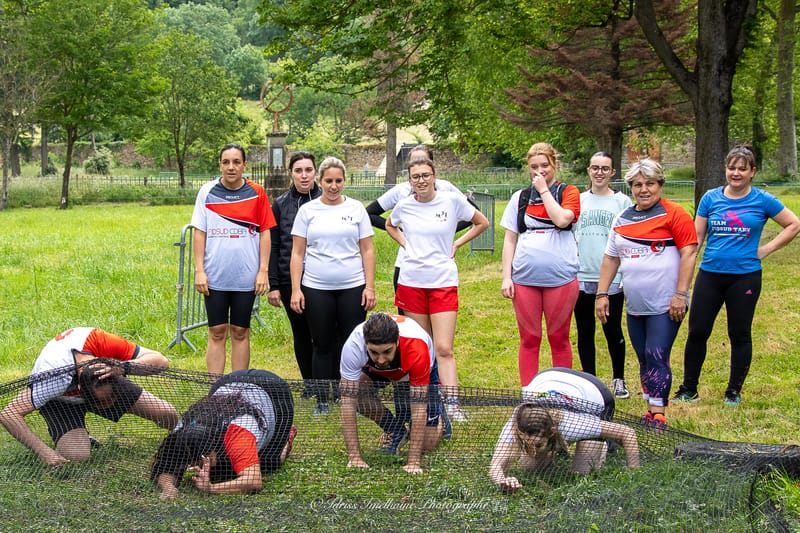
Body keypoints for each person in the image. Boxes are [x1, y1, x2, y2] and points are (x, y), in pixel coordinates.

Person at [674, 144, 800, 406]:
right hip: (710, 275)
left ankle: (733, 391)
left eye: (742, 169)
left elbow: (793, 224)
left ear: (752, 172)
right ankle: (688, 389)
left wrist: (766, 249)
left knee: (739, 334)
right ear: (725, 169)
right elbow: (696, 239)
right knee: (698, 332)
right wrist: (682, 277)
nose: (736, 173)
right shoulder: (710, 198)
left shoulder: (762, 200)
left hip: (744, 278)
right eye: (732, 167)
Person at [385, 157, 489, 422]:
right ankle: (425, 401)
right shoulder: (404, 205)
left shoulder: (451, 201)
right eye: (415, 176)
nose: (421, 180)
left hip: (442, 281)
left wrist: (457, 243)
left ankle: (452, 404)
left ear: (434, 176)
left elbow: (481, 222)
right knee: (421, 346)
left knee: (443, 347)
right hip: (411, 282)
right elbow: (389, 224)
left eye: (426, 175)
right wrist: (405, 244)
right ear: (409, 181)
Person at [596, 159, 698, 428]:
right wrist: (601, 294)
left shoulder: (674, 214)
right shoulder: (622, 218)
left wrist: (681, 294)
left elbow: (689, 252)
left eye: (650, 183)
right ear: (631, 187)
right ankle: (649, 410)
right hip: (635, 305)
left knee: (657, 352)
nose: (644, 189)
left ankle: (659, 412)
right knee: (643, 355)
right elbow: (610, 258)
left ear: (660, 184)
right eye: (638, 184)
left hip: (666, 304)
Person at [0, 327, 179, 466]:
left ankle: (181, 440)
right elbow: (9, 414)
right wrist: (44, 452)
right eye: (102, 403)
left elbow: (161, 361)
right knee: (77, 456)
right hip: (60, 401)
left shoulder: (99, 341)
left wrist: (124, 367)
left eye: (111, 401)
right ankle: (79, 433)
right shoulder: (52, 378)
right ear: (79, 389)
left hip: (108, 374)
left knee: (166, 413)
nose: (108, 406)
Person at [290, 156, 377, 415]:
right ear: (320, 181)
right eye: (328, 181)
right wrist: (296, 289)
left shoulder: (356, 209)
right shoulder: (308, 211)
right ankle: (322, 398)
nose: (333, 186)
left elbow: (367, 250)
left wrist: (369, 287)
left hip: (352, 285)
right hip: (316, 287)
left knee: (350, 342)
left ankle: (346, 393)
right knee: (322, 343)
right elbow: (297, 253)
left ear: (344, 181)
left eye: (338, 181)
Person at [191, 143, 276, 375]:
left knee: (240, 331)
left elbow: (266, 231)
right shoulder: (207, 192)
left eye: (236, 162)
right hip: (215, 275)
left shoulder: (257, 192)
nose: (231, 167)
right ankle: (215, 390)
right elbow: (200, 232)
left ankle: (238, 386)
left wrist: (263, 270)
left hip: (245, 277)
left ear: (244, 165)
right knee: (217, 331)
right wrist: (199, 270)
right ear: (220, 165)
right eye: (226, 162)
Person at [500, 142, 581, 386]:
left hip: (561, 279)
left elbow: (562, 220)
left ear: (554, 164)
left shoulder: (569, 192)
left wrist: (544, 190)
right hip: (524, 279)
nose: (539, 171)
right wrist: (507, 276)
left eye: (544, 165)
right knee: (529, 338)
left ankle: (562, 392)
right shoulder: (520, 197)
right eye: (534, 166)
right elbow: (510, 238)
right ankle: (529, 393)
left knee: (558, 337)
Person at [489, 368, 640, 493]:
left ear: (552, 432)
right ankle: (556, 448)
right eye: (527, 443)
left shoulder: (574, 424)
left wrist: (633, 475)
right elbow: (495, 466)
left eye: (538, 445)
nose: (532, 450)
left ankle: (605, 444)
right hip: (548, 376)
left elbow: (628, 433)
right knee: (529, 467)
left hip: (594, 391)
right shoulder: (517, 421)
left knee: (581, 474)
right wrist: (503, 481)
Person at [151, 369, 296, 499]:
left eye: (200, 459)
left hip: (274, 391)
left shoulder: (238, 434)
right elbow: (166, 467)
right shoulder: (184, 429)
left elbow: (253, 481)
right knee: (220, 469)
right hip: (226, 382)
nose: (194, 464)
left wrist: (211, 488)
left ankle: (287, 437)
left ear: (213, 445)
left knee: (269, 463)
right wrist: (169, 488)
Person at [339, 312, 447, 474]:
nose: (381, 359)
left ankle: (441, 419)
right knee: (356, 393)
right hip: (377, 371)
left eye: (387, 351)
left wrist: (413, 463)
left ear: (397, 342)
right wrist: (355, 457)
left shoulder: (416, 347)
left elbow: (419, 409)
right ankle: (396, 430)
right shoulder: (354, 344)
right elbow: (347, 402)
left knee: (427, 444)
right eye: (374, 352)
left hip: (412, 369)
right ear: (365, 344)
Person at [364, 144, 473, 297]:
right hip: (407, 265)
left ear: (432, 166)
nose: (419, 166)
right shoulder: (400, 191)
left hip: (440, 268)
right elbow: (369, 213)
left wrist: (446, 231)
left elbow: (475, 215)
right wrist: (402, 232)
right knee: (409, 320)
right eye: (414, 162)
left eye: (424, 160)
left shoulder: (446, 188)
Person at [573, 152, 633, 398]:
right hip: (581, 275)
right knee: (585, 330)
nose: (599, 173)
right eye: (595, 168)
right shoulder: (578, 200)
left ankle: (619, 378)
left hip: (611, 277)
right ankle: (590, 381)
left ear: (612, 172)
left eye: (604, 169)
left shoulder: (622, 202)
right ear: (589, 170)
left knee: (612, 329)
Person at [267, 151, 321, 387]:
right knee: (301, 333)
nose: (304, 175)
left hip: (321, 276)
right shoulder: (280, 204)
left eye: (308, 170)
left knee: (323, 333)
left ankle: (329, 382)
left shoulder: (326, 198)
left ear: (315, 171)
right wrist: (274, 284)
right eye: (298, 170)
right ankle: (309, 383)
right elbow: (275, 243)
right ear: (291, 173)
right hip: (291, 278)